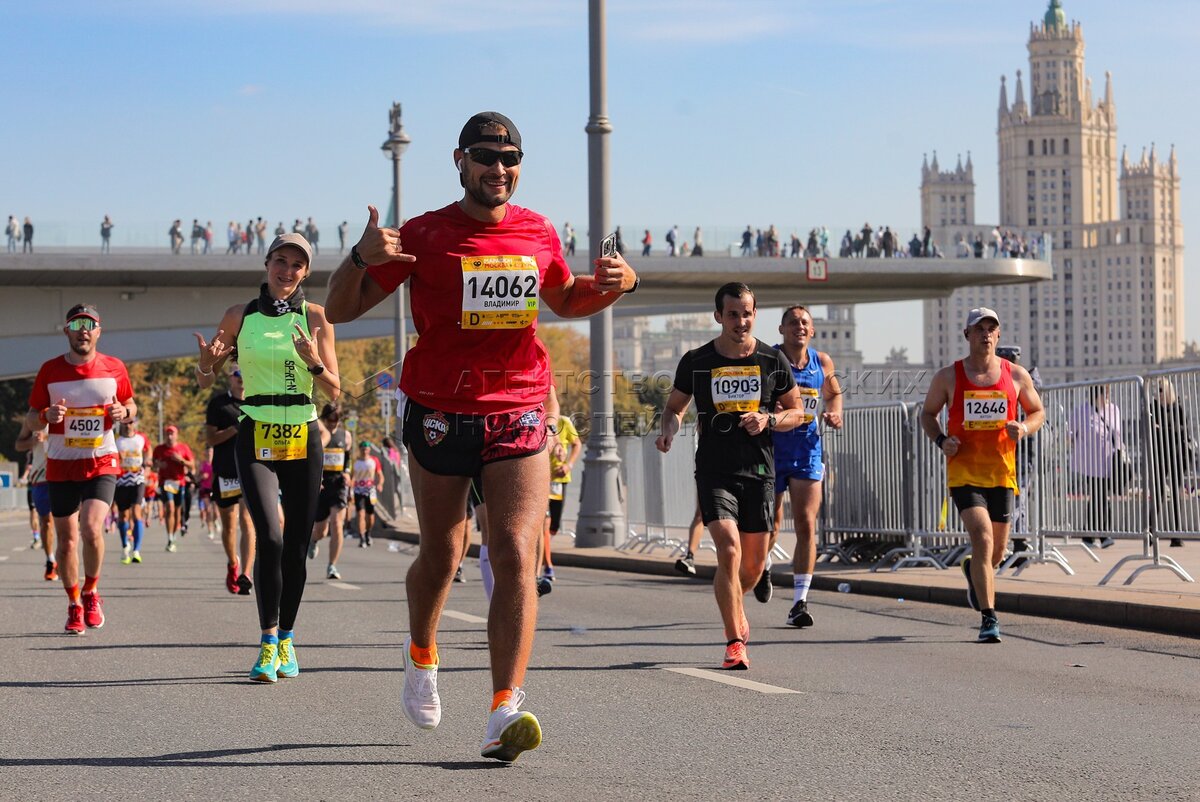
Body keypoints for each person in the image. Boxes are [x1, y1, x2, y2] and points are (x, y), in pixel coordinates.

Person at [324, 110, 638, 762]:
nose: (499, 168)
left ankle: (503, 709)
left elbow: (566, 300)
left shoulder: (537, 231)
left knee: (516, 550)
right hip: (440, 409)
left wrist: (617, 287)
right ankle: (421, 653)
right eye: (487, 157)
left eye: (510, 158)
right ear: (460, 161)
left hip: (518, 405)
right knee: (443, 553)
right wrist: (358, 257)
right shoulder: (425, 233)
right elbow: (339, 309)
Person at [194, 232, 341, 682]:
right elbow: (206, 380)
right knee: (270, 538)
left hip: (302, 431)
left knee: (296, 543)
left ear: (306, 273)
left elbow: (335, 390)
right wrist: (206, 364)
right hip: (256, 427)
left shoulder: (316, 317)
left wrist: (313, 361)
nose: (287, 270)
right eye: (280, 260)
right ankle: (267, 640)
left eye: (297, 264)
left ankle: (288, 639)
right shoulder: (239, 315)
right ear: (266, 263)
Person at [656, 282, 802, 670]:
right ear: (718, 316)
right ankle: (734, 641)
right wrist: (669, 430)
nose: (741, 321)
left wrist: (769, 419)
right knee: (729, 549)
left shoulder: (772, 360)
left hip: (759, 471)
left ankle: (737, 607)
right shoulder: (697, 360)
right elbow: (674, 408)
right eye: (733, 314)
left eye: (747, 314)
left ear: (755, 315)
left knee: (751, 567)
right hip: (714, 470)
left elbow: (797, 411)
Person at [920, 307, 1044, 644]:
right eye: (979, 329)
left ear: (998, 335)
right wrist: (942, 440)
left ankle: (972, 570)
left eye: (991, 328)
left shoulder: (1016, 375)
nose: (986, 334)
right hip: (964, 471)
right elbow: (927, 414)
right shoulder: (948, 376)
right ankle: (989, 618)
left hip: (1002, 473)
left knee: (996, 553)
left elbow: (1037, 411)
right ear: (967, 335)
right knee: (982, 536)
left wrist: (1024, 428)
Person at [25, 304, 136, 634]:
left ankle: (91, 592)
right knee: (67, 542)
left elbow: (131, 405)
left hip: (102, 461)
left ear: (99, 331)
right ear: (67, 331)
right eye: (76, 325)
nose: (83, 330)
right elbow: (31, 418)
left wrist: (123, 413)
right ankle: (74, 602)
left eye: (89, 324)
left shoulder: (115, 368)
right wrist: (45, 416)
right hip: (61, 466)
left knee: (90, 528)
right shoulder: (50, 370)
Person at [764, 305, 843, 627]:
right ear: (781, 330)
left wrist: (834, 413)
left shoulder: (822, 362)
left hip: (807, 450)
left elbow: (833, 395)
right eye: (793, 322)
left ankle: (800, 601)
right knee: (770, 525)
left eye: (804, 323)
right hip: (771, 450)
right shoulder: (769, 359)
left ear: (812, 331)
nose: (799, 326)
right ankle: (764, 566)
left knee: (807, 525)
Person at [205, 364, 256, 594]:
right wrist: (235, 428)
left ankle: (246, 573)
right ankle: (233, 563)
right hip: (225, 471)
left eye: (245, 373)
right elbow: (210, 439)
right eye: (237, 374)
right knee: (229, 525)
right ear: (230, 377)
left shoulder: (256, 401)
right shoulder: (218, 404)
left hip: (250, 469)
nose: (241, 378)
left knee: (247, 520)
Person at [1069, 385, 1121, 548]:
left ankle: (1091, 534)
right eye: (1105, 393)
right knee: (1100, 495)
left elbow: (1118, 434)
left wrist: (1121, 454)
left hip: (1109, 461)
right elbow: (1070, 433)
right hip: (1090, 462)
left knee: (1100, 496)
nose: (1107, 396)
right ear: (1096, 395)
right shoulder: (1081, 411)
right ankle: (1102, 534)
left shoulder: (1114, 410)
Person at [309, 403, 352, 579]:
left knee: (336, 523)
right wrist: (315, 477)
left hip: (339, 484)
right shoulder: (319, 435)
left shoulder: (345, 435)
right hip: (322, 484)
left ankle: (332, 566)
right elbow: (312, 457)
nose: (333, 424)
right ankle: (314, 539)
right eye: (330, 420)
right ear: (324, 419)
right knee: (321, 530)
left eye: (336, 420)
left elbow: (348, 457)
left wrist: (347, 472)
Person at [541, 404, 581, 585]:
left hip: (559, 480)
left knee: (554, 526)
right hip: (541, 480)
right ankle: (548, 566)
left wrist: (568, 465)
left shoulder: (564, 422)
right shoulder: (537, 422)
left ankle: (542, 552)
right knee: (545, 524)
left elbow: (576, 444)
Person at [1150, 377, 1190, 548]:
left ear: (1167, 390)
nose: (1157, 393)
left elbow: (1183, 429)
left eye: (1160, 390)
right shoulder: (1153, 408)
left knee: (1175, 493)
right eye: (1156, 390)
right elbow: (1149, 428)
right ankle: (1150, 532)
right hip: (1159, 455)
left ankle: (1176, 535)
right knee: (1158, 493)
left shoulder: (1177, 407)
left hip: (1176, 454)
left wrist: (1165, 429)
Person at [15, 421, 57, 580]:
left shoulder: (69, 412)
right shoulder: (33, 419)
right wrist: (32, 441)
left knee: (68, 524)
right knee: (46, 521)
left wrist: (48, 437)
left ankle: (65, 559)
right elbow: (18, 445)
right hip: (41, 478)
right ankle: (50, 560)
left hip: (63, 475)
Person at [113, 419, 151, 565]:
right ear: (121, 424)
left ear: (134, 424)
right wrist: (118, 457)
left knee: (136, 512)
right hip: (121, 480)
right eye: (125, 423)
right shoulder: (117, 441)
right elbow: (109, 457)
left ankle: (136, 550)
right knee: (123, 516)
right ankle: (125, 546)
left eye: (130, 423)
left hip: (137, 479)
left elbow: (148, 450)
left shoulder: (141, 438)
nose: (128, 425)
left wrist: (148, 462)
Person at [153, 425, 194, 552]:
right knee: (169, 508)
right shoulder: (159, 449)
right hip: (166, 482)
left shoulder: (183, 448)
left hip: (179, 482)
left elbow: (192, 465)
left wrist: (181, 460)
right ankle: (170, 538)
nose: (170, 436)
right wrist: (159, 464)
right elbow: (153, 464)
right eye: (168, 434)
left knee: (177, 511)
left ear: (176, 435)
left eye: (172, 434)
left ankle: (174, 535)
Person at [351, 440, 384, 547]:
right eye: (363, 449)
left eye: (366, 449)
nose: (365, 451)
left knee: (370, 516)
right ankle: (361, 538)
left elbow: (380, 475)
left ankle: (368, 534)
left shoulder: (374, 460)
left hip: (370, 491)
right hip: (358, 490)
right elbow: (352, 477)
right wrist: (350, 489)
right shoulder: (355, 461)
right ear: (360, 449)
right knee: (360, 514)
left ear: (369, 450)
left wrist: (380, 484)